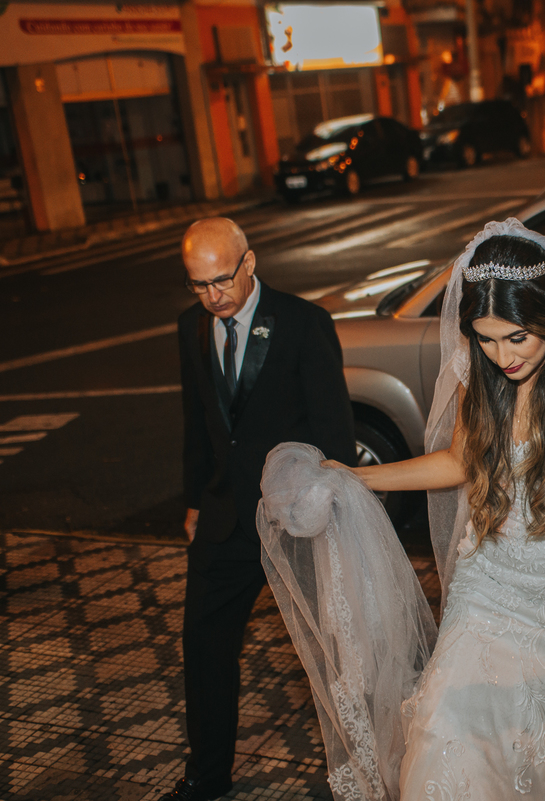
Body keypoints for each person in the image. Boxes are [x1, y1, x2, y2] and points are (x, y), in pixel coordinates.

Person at [257, 219, 545, 800]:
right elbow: (460, 461)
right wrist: (359, 475)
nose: (500, 355)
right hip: (487, 586)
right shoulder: (483, 374)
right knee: (443, 732)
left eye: (516, 337)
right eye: (485, 338)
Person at [164, 217, 357, 801]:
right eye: (199, 285)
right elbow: (198, 422)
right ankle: (207, 778)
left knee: (331, 648)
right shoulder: (191, 327)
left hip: (294, 515)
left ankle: (356, 768)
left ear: (249, 263)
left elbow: (334, 430)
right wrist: (195, 501)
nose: (212, 296)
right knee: (202, 644)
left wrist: (333, 507)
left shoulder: (303, 323)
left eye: (222, 280)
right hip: (224, 518)